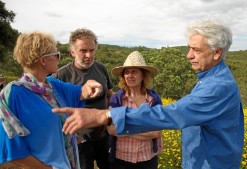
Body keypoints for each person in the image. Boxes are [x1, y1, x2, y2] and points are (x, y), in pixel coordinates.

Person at [53, 18, 244, 169]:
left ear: (217, 52)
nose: (188, 55)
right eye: (189, 48)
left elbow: (173, 115)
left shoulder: (217, 87)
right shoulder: (209, 80)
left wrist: (106, 115)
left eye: (195, 49)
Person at [0, 32, 103, 169]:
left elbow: (81, 91)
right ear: (43, 60)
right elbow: (13, 151)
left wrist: (90, 85)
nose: (58, 59)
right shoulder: (13, 94)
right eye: (56, 55)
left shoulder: (52, 85)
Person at [52, 28, 113, 169]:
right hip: (80, 141)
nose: (89, 55)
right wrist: (74, 138)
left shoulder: (101, 68)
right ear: (73, 52)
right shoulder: (61, 76)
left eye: (92, 50)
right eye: (83, 50)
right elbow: (55, 112)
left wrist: (112, 122)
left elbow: (110, 95)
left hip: (104, 136)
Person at [108, 51, 163, 169]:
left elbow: (156, 132)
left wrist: (124, 128)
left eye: (134, 72)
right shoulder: (116, 99)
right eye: (126, 72)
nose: (130, 75)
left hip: (147, 158)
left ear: (143, 75)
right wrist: (144, 129)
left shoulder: (154, 99)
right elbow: (111, 129)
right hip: (121, 159)